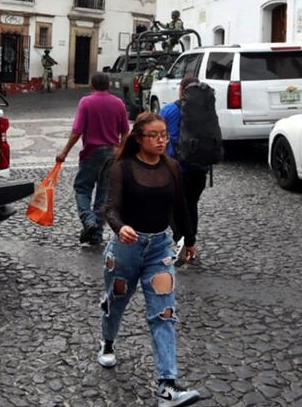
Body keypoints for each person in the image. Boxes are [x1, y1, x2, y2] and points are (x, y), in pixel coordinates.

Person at [97, 112, 200, 407]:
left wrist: (189, 239)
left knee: (164, 314)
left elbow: (181, 206)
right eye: (154, 135)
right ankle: (107, 341)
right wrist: (120, 227)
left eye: (164, 134)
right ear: (138, 139)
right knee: (115, 302)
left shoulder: (172, 167)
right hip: (125, 250)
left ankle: (166, 387)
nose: (161, 140)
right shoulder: (123, 168)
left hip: (160, 250)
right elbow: (110, 208)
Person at [56, 72, 129, 245]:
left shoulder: (86, 102)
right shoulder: (118, 103)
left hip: (91, 153)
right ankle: (96, 235)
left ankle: (89, 221)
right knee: (103, 194)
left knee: (82, 188)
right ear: (109, 86)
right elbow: (125, 131)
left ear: (92, 86)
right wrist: (120, 149)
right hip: (112, 153)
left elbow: (77, 131)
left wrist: (65, 151)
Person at [160, 76, 211, 266]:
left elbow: (157, 132)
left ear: (182, 90)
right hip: (200, 167)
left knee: (174, 205)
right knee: (191, 205)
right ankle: (191, 243)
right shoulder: (206, 111)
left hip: (176, 167)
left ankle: (181, 238)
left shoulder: (170, 110)